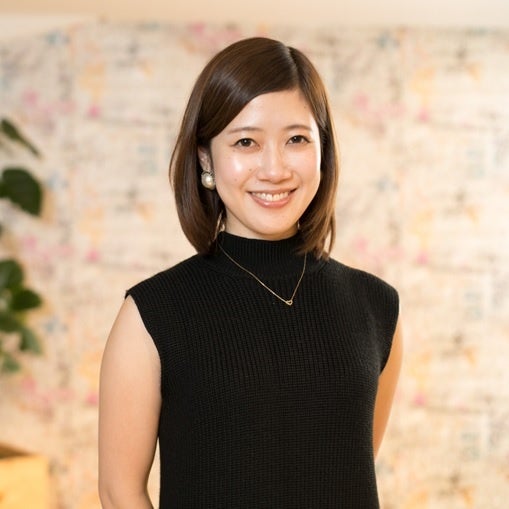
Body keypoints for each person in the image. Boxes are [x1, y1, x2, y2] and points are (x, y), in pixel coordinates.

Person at [98, 36, 403, 509]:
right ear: (206, 158)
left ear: (323, 149)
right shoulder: (151, 314)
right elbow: (120, 492)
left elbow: (344, 471)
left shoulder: (378, 307)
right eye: (246, 142)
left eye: (297, 139)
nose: (274, 169)